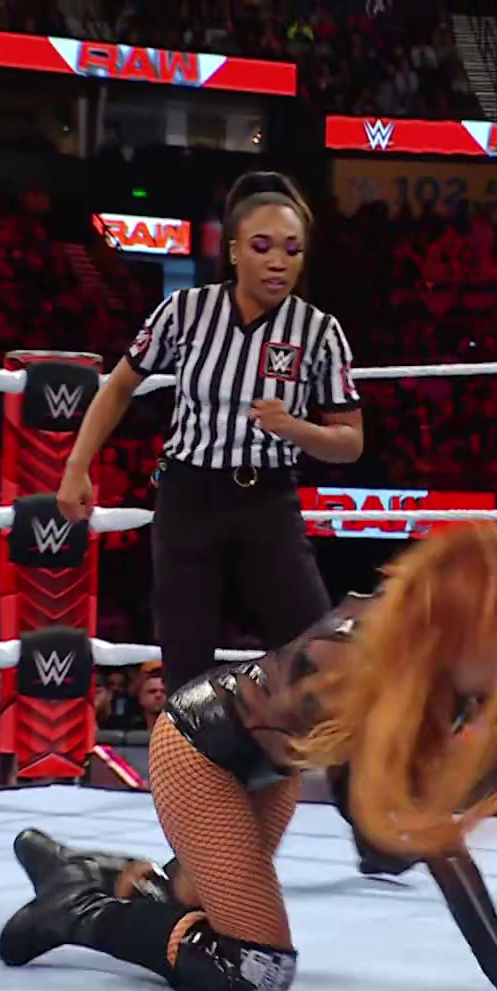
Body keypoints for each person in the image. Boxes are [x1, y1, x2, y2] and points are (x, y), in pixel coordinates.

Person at [0, 524, 497, 991]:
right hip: (199, 751)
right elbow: (435, 838)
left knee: (192, 902)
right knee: (258, 967)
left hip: (270, 768)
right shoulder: (374, 663)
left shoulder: (474, 649)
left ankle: (91, 871)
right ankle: (77, 910)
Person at [57, 170, 362, 695]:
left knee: (315, 657)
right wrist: (76, 466)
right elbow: (119, 385)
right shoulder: (186, 310)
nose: (278, 261)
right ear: (236, 251)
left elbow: (351, 442)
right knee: (186, 666)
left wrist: (293, 427)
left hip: (268, 501)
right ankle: (188, 753)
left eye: (292, 249)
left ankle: (313, 750)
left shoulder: (318, 331)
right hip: (189, 498)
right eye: (263, 246)